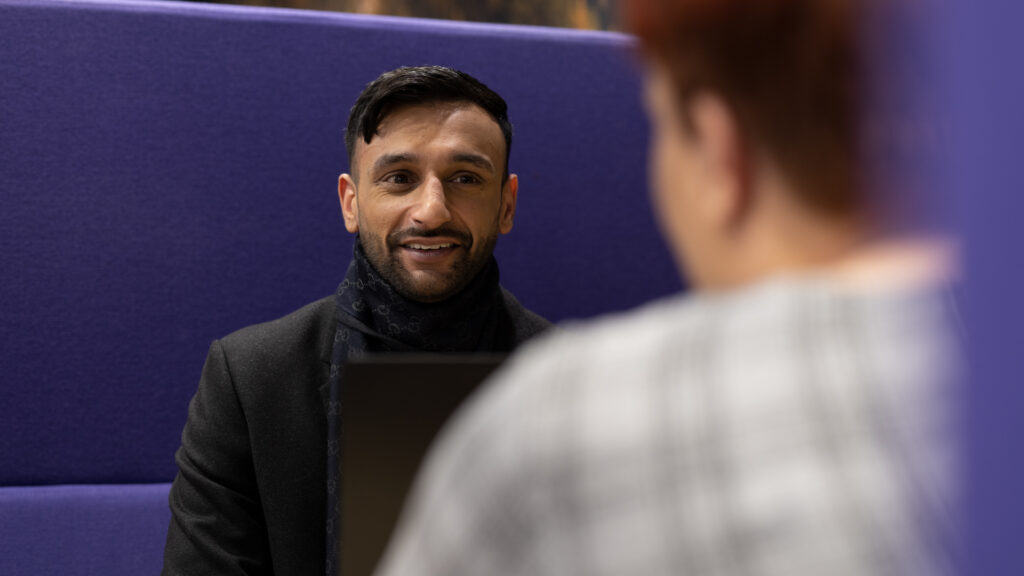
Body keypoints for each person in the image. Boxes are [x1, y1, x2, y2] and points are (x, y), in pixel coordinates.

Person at [374, 2, 962, 575]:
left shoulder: (557, 425)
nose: (431, 210)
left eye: (661, 127)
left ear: (718, 146)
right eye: (400, 178)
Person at [161, 66, 550, 576]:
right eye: (399, 179)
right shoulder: (252, 382)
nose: (431, 211)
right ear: (351, 202)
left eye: (464, 178)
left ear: (506, 204)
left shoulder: (573, 380)